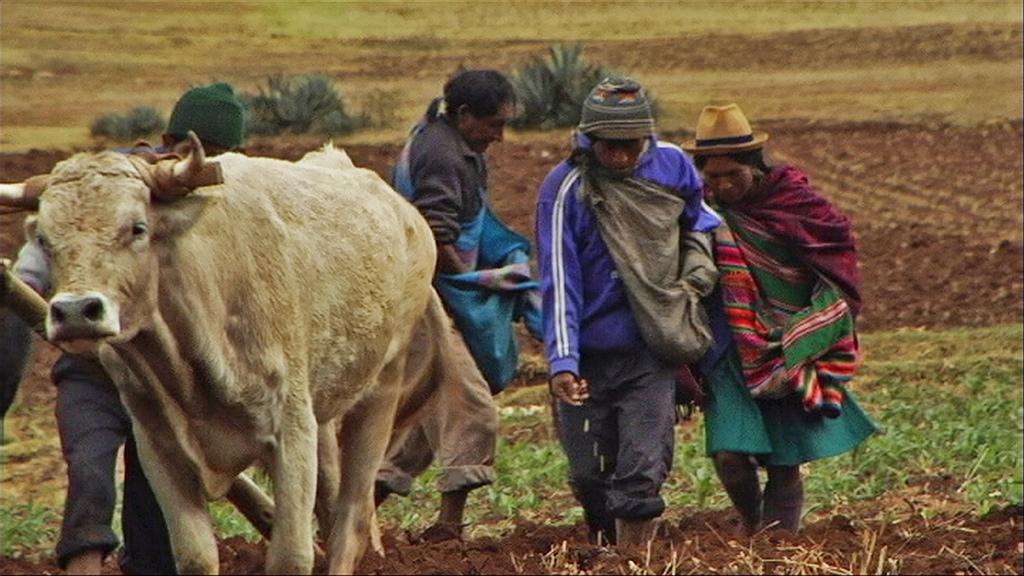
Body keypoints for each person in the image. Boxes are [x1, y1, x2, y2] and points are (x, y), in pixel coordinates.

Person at [0, 82, 247, 574]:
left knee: (156, 489)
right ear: (170, 144)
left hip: (166, 379)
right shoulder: (91, 193)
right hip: (94, 369)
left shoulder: (211, 208)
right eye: (193, 150)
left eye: (220, 156)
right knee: (89, 470)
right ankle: (84, 565)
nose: (197, 165)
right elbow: (31, 272)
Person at [535, 77, 722, 547]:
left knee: (641, 469)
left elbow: (699, 221)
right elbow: (560, 279)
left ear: (647, 139)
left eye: (629, 147)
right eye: (608, 147)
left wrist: (695, 275)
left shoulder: (674, 166)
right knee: (589, 472)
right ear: (589, 140)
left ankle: (632, 558)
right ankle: (606, 540)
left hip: (649, 345)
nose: (619, 157)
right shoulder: (566, 189)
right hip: (590, 354)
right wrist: (563, 362)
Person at [680, 103, 879, 538]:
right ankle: (752, 524)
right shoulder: (700, 212)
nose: (724, 185)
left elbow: (835, 263)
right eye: (713, 177)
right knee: (729, 455)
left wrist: (805, 329)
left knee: (785, 461)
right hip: (728, 348)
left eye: (734, 174)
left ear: (756, 166)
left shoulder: (796, 204)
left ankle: (778, 547)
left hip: (789, 344)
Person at [378, 68, 541, 543]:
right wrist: (472, 289)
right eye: (493, 124)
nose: (500, 135)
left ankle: (351, 514)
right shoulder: (443, 156)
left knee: (425, 413)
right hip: (432, 299)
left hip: (428, 294)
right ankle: (448, 527)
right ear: (465, 114)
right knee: (472, 407)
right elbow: (437, 233)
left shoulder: (449, 142)